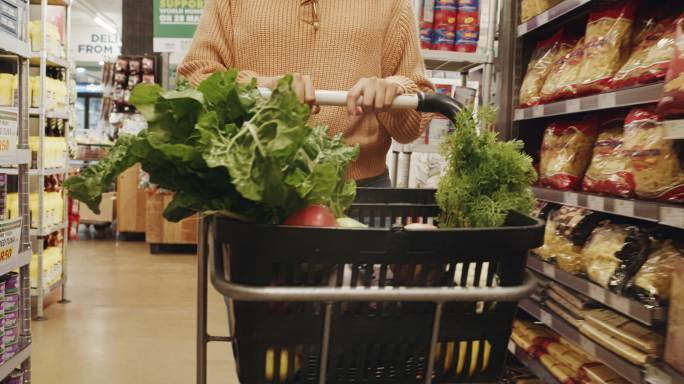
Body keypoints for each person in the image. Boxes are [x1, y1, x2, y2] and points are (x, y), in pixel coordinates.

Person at [178, 0, 434, 188]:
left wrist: (395, 89)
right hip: (255, 189)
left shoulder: (390, 4)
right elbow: (196, 76)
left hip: (362, 192)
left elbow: (413, 122)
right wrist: (260, 88)